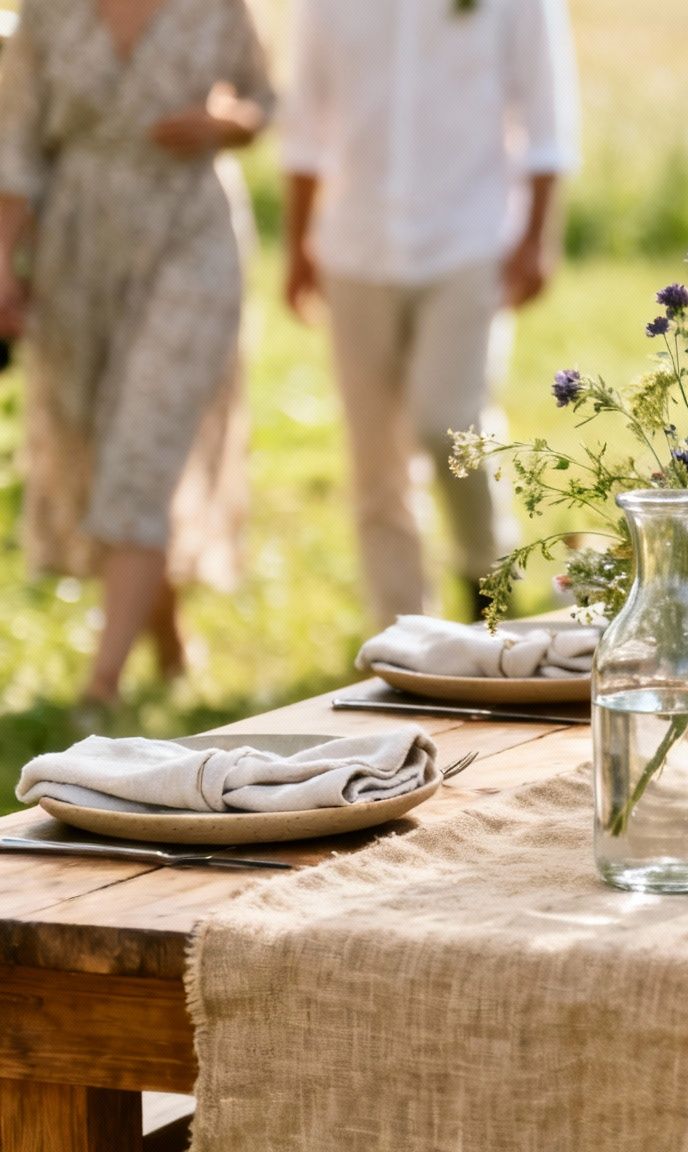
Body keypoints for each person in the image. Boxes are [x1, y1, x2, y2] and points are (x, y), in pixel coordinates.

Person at [0, 0, 273, 708]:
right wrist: (3, 259)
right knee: (97, 449)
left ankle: (101, 688)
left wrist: (228, 124)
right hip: (78, 243)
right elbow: (17, 139)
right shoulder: (47, 12)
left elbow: (263, 98)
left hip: (191, 234)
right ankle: (166, 630)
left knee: (144, 446)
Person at [281, 0, 579, 627]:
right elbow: (305, 115)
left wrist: (538, 238)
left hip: (469, 240)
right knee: (374, 456)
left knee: (448, 421)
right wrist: (298, 243)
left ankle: (483, 571)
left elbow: (548, 112)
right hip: (355, 246)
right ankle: (399, 629)